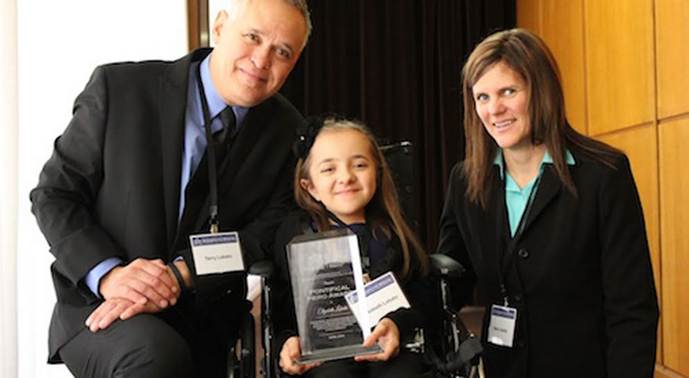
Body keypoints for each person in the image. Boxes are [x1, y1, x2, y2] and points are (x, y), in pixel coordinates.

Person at [29, 0, 311, 376]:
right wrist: (111, 276)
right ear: (221, 27)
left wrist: (180, 275)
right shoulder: (121, 89)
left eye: (282, 51)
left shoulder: (288, 133)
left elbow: (263, 234)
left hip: (206, 315)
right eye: (252, 37)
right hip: (103, 305)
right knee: (154, 356)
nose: (261, 60)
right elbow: (54, 194)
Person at [436, 28, 659, 377]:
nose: (494, 109)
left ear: (541, 91)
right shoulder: (465, 181)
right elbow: (449, 282)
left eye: (508, 91)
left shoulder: (603, 174)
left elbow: (632, 307)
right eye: (482, 97)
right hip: (505, 368)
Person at [272, 117, 434, 377]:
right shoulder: (295, 235)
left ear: (377, 173)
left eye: (359, 165)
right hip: (324, 354)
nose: (346, 177)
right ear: (310, 186)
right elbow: (280, 307)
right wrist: (286, 341)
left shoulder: (393, 232)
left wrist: (397, 323)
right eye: (328, 170)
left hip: (390, 344)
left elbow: (425, 299)